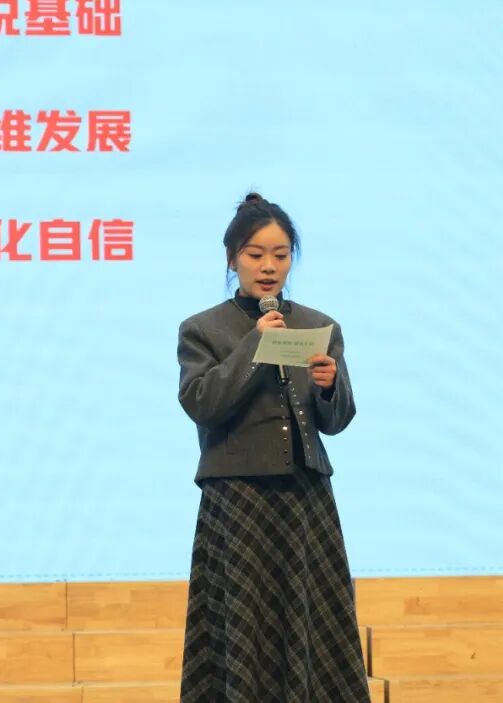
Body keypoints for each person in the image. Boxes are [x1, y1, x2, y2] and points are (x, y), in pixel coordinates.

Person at [176, 192, 370, 701]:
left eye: (280, 255)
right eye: (255, 254)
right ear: (232, 259)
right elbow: (202, 403)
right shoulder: (202, 329)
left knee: (312, 627)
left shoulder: (318, 326)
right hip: (238, 501)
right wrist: (254, 346)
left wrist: (329, 386)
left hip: (305, 500)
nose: (268, 267)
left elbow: (337, 420)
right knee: (246, 629)